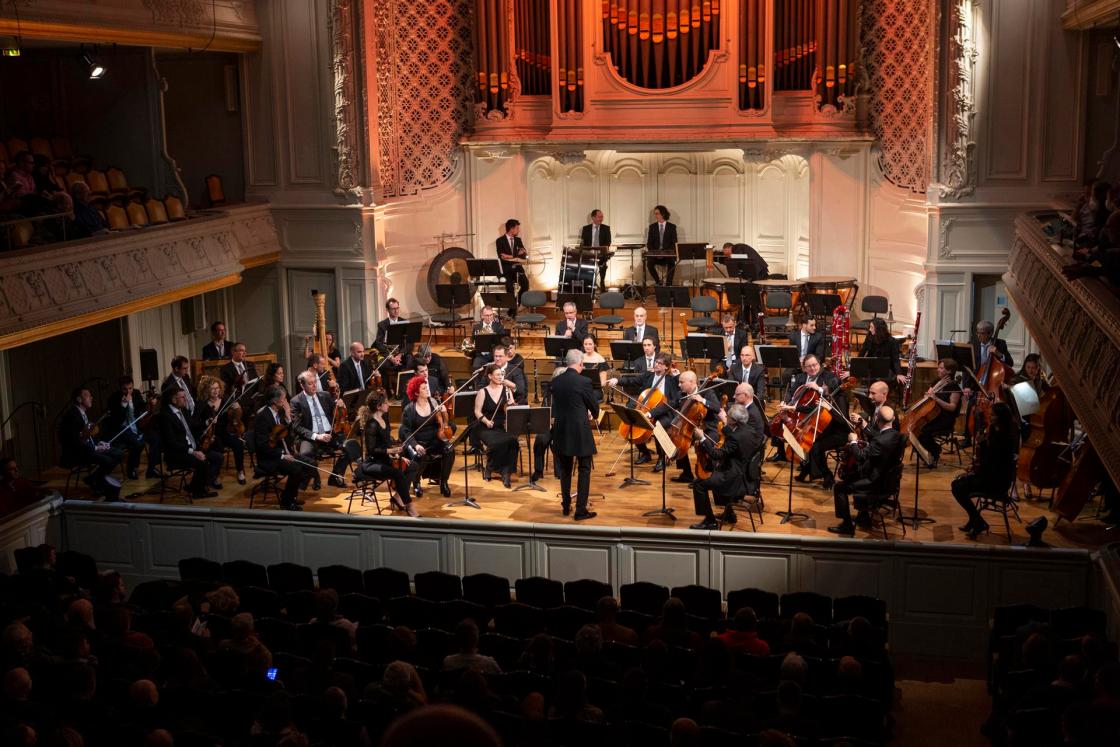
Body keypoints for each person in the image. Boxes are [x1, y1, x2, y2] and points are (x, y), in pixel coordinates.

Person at [828, 405, 905, 535]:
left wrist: (853, 442)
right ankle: (863, 517)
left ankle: (846, 525)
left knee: (840, 487)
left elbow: (861, 456)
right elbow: (880, 450)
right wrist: (868, 445)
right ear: (893, 419)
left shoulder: (880, 440)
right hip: (889, 480)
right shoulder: (898, 436)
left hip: (875, 482)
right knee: (853, 473)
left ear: (877, 420)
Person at [690, 398, 764, 529]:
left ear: (734, 421)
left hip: (734, 478)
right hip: (748, 475)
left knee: (699, 484)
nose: (726, 417)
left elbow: (716, 454)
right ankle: (729, 514)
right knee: (713, 470)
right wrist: (724, 426)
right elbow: (732, 435)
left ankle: (709, 520)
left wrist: (702, 438)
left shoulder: (735, 438)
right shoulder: (749, 430)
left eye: (728, 416)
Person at [952, 402, 1020, 538]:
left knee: (958, 488)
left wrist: (974, 470)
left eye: (993, 415)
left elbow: (993, 463)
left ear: (1001, 417)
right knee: (957, 484)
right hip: (989, 475)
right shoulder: (996, 431)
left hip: (996, 481)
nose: (990, 416)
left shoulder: (1004, 438)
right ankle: (975, 520)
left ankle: (978, 522)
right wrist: (975, 467)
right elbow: (987, 460)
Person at [781, 354, 847, 488]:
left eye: (815, 365)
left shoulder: (829, 377)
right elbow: (792, 392)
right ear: (804, 368)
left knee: (812, 443)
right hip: (811, 419)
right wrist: (786, 402)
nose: (812, 368)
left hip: (831, 425)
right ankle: (806, 467)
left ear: (820, 364)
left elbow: (835, 387)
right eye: (808, 366)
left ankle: (826, 475)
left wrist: (819, 388)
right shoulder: (801, 378)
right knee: (792, 434)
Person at [550, 349, 599, 520]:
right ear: (579, 363)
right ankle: (580, 510)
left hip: (561, 430)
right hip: (580, 431)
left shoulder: (555, 382)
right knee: (584, 469)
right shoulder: (584, 381)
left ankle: (565, 505)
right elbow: (593, 406)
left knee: (565, 469)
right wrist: (594, 413)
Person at [352, 390, 418, 516]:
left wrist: (398, 456)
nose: (388, 404)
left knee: (413, 466)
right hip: (372, 463)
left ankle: (398, 497)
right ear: (379, 406)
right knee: (398, 473)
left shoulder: (384, 419)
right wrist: (390, 451)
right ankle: (409, 506)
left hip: (385, 460)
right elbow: (372, 450)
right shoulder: (372, 425)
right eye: (386, 402)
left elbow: (387, 442)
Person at [608, 352, 680, 466]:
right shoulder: (648, 375)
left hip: (664, 412)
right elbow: (632, 381)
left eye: (660, 363)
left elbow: (673, 402)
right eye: (656, 362)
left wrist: (652, 413)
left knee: (658, 426)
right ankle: (645, 453)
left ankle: (661, 457)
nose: (656, 364)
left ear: (666, 366)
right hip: (647, 409)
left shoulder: (672, 380)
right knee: (633, 424)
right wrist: (617, 381)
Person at [58, 387, 125, 501]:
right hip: (77, 452)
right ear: (79, 399)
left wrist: (99, 443)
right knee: (107, 460)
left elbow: (87, 436)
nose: (91, 398)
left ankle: (93, 479)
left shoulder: (82, 413)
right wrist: (95, 447)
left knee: (119, 453)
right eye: (88, 396)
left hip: (87, 448)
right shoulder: (72, 416)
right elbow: (76, 441)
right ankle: (97, 482)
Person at [252, 386, 311, 511]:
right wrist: (282, 455)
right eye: (283, 399)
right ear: (275, 401)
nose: (286, 402)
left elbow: (286, 435)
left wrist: (289, 417)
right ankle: (286, 502)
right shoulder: (262, 417)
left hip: (282, 452)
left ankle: (292, 495)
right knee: (296, 469)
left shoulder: (279, 413)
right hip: (269, 458)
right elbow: (262, 445)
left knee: (310, 463)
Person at [159, 386, 222, 500]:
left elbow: (193, 425)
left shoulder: (183, 410)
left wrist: (207, 421)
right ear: (174, 400)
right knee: (203, 463)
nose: (186, 400)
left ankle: (196, 486)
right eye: (183, 397)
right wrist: (193, 452)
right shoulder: (165, 416)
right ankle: (199, 492)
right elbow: (171, 443)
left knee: (217, 457)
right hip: (177, 453)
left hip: (192, 448)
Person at [290, 371, 349, 489]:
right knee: (305, 454)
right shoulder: (296, 401)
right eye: (310, 383)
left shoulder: (325, 395)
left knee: (349, 448)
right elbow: (296, 427)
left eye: (315, 382)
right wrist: (316, 436)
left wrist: (341, 405)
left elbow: (336, 412)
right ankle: (315, 475)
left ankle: (334, 476)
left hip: (329, 433)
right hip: (310, 437)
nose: (314, 386)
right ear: (302, 385)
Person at [399, 376, 454, 499]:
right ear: (417, 392)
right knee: (420, 454)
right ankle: (416, 482)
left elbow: (444, 422)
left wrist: (444, 412)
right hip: (418, 441)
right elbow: (405, 431)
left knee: (449, 449)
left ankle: (444, 482)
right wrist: (415, 445)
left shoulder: (434, 403)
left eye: (426, 387)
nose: (427, 389)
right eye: (424, 388)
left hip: (434, 440)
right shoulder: (409, 409)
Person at [193, 377, 247, 486]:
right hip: (211, 434)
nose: (216, 391)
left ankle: (240, 471)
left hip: (226, 431)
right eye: (212, 388)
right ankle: (216, 475)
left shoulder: (226, 399)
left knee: (238, 443)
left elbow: (237, 416)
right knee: (218, 446)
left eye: (217, 388)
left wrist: (237, 408)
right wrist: (207, 421)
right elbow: (195, 423)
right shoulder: (201, 404)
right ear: (206, 390)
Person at [473, 364, 520, 488]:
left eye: (502, 374)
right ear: (490, 376)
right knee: (497, 442)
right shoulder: (482, 392)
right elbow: (477, 412)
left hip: (502, 426)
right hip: (486, 427)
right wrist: (486, 421)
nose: (501, 377)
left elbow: (510, 409)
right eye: (498, 374)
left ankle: (505, 471)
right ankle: (494, 468)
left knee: (513, 441)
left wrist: (512, 403)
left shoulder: (506, 390)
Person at [106, 375, 158, 480]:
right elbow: (116, 420)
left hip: (137, 425)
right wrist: (124, 403)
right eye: (125, 389)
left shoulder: (136, 393)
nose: (128, 391)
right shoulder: (114, 398)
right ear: (120, 388)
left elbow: (141, 407)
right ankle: (132, 469)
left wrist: (150, 403)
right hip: (122, 428)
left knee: (156, 439)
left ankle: (151, 469)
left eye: (130, 388)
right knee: (138, 444)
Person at [914, 359, 962, 468]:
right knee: (917, 428)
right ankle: (927, 455)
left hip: (945, 419)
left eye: (941, 368)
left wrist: (936, 398)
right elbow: (928, 395)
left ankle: (935, 451)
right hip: (934, 416)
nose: (937, 370)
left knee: (923, 431)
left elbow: (952, 407)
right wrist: (929, 395)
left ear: (949, 371)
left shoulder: (954, 387)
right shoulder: (937, 381)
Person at [374, 298, 409, 396]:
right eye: (393, 309)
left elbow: (409, 343)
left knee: (409, 361)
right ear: (388, 310)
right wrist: (390, 357)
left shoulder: (404, 322)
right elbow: (379, 343)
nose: (396, 310)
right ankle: (387, 393)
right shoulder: (382, 325)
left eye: (397, 308)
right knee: (383, 365)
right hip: (388, 353)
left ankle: (402, 392)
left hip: (400, 353)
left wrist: (400, 354)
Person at [497, 218, 529, 316]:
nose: (518, 230)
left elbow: (524, 254)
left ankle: (514, 307)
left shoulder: (518, 240)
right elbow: (502, 256)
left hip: (518, 269)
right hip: (506, 270)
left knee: (525, 285)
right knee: (510, 289)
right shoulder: (500, 241)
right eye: (517, 228)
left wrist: (511, 256)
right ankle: (512, 311)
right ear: (511, 229)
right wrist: (516, 255)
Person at [859, 319, 905, 385]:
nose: (869, 329)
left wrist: (899, 374)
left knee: (882, 380)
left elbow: (896, 360)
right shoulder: (869, 337)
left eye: (871, 327)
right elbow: (862, 352)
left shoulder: (892, 341)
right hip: (872, 367)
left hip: (887, 368)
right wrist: (853, 370)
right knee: (867, 377)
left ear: (878, 329)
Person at [645, 204, 679, 285]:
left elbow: (674, 243)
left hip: (667, 254)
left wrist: (664, 253)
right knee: (649, 264)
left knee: (672, 263)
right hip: (655, 254)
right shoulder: (652, 227)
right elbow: (649, 243)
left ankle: (668, 284)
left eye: (657, 213)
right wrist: (656, 253)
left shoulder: (672, 227)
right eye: (655, 214)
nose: (655, 216)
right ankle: (658, 281)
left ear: (662, 214)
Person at [730, 345, 767, 417]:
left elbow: (760, 393)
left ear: (753, 357)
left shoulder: (759, 370)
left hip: (753, 401)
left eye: (747, 355)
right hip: (738, 400)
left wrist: (748, 405)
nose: (744, 358)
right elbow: (731, 388)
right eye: (742, 355)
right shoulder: (734, 368)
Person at [580, 209, 612, 289]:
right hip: (589, 254)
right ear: (593, 218)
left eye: (602, 217)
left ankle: (602, 282)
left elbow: (608, 242)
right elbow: (583, 243)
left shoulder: (606, 228)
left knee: (603, 263)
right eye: (599, 217)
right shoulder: (586, 229)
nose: (601, 219)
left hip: (601, 254)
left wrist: (602, 250)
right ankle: (589, 284)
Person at [469, 306, 508, 371]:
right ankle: (478, 381)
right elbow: (473, 341)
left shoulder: (499, 327)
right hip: (481, 356)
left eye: (491, 315)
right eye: (487, 315)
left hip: (495, 355)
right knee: (476, 365)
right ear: (482, 316)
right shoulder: (476, 327)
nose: (489, 317)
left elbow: (503, 342)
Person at [578, 335, 608, 403]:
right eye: (585, 344)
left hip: (595, 390)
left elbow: (603, 383)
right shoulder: (580, 358)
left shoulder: (600, 359)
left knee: (588, 397)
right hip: (582, 388)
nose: (587, 346)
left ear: (594, 345)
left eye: (590, 344)